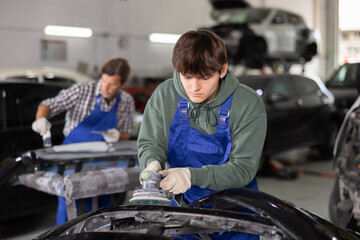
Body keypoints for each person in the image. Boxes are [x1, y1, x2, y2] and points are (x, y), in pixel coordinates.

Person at [137, 30, 267, 239]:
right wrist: (152, 163)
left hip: (237, 215)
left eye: (204, 77)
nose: (194, 87)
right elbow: (151, 143)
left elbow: (243, 169)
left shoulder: (247, 103)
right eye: (186, 77)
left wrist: (191, 176)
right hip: (183, 214)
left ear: (222, 70)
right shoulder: (165, 95)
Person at [32, 57, 135, 225]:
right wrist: (41, 119)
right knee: (69, 200)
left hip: (104, 158)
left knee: (102, 204)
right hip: (72, 157)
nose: (106, 88)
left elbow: (126, 133)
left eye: (113, 85)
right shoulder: (81, 90)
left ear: (122, 84)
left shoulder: (126, 101)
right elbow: (48, 105)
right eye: (104, 82)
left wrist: (116, 135)